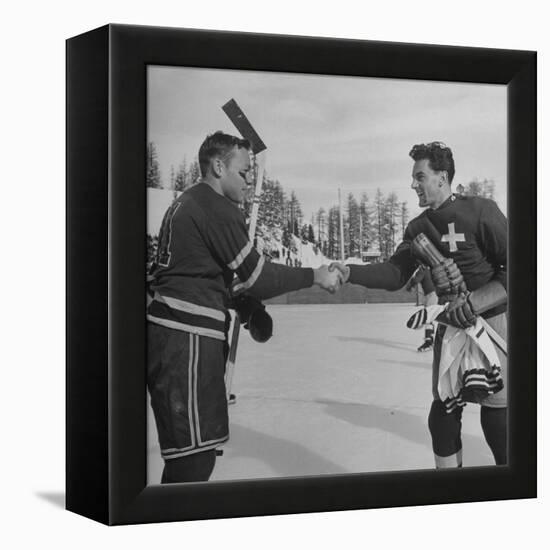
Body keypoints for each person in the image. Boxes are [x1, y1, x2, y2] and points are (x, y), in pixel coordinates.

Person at [147, 131, 342, 483]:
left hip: (181, 339)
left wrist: (246, 306)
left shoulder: (191, 201)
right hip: (185, 342)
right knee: (191, 463)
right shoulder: (214, 207)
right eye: (243, 171)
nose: (249, 180)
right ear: (218, 166)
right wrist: (315, 274)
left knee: (195, 456)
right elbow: (260, 276)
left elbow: (203, 272)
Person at [332, 142, 507, 468]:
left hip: (492, 326)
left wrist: (476, 303)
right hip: (451, 326)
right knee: (442, 415)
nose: (413, 184)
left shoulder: (481, 210)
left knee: (497, 419)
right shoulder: (418, 228)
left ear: (442, 177)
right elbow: (395, 273)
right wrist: (350, 271)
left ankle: (510, 491)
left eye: (419, 176)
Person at [405, 265, 437, 352]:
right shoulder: (431, 267)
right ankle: (431, 340)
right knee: (431, 317)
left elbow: (416, 279)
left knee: (428, 318)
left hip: (431, 294)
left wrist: (410, 286)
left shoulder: (423, 269)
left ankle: (429, 342)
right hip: (434, 294)